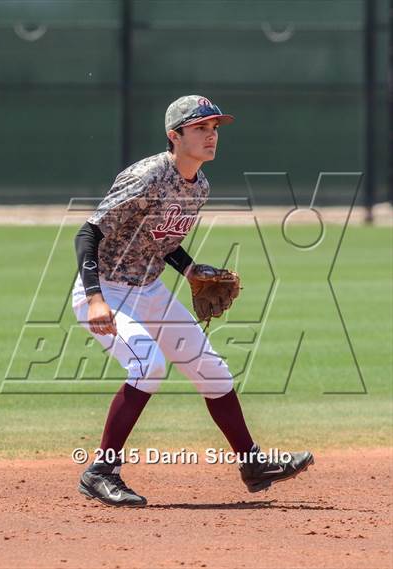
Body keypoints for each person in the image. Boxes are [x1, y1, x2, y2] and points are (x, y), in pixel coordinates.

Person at [72, 95, 314, 507]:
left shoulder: (199, 185)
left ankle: (252, 464)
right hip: (107, 289)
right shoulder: (149, 175)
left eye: (214, 128)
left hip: (148, 289)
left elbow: (159, 241)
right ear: (175, 136)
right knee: (148, 364)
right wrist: (96, 298)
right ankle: (101, 471)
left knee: (211, 369)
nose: (211, 136)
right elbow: (88, 233)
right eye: (201, 128)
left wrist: (189, 270)